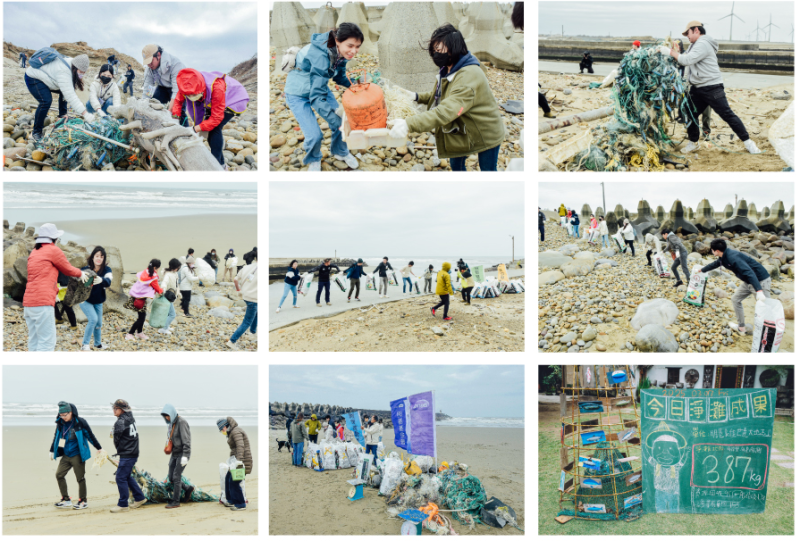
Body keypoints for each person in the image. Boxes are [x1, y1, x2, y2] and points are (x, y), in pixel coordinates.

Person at [389, 24, 504, 172]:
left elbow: (447, 111)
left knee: (488, 170)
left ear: (454, 48)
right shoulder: (449, 67)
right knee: (456, 165)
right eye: (434, 50)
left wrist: (408, 124)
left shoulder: (468, 76)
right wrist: (416, 97)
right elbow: (441, 95)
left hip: (486, 131)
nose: (436, 54)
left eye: (440, 50)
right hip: (462, 129)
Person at [660, 21, 759, 154]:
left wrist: (670, 52)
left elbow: (686, 60)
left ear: (696, 30)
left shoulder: (703, 44)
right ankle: (693, 143)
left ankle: (749, 143)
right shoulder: (694, 45)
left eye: (687, 33)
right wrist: (676, 50)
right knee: (689, 114)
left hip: (712, 88)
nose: (686, 36)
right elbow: (684, 57)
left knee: (727, 114)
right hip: (697, 88)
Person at [284, 23, 363, 172]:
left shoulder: (340, 52)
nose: (354, 51)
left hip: (319, 87)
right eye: (350, 45)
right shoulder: (321, 55)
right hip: (298, 94)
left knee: (342, 124)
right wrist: (335, 120)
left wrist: (354, 86)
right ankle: (314, 158)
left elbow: (339, 77)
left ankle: (340, 152)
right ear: (338, 40)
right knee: (315, 135)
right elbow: (316, 98)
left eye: (357, 46)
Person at [23, 223, 88, 351]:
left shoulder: (35, 252)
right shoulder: (53, 250)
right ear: (54, 238)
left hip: (28, 304)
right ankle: (42, 370)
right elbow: (68, 269)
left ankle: (31, 369)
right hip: (42, 303)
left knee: (34, 340)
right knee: (47, 343)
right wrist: (81, 273)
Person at [170, 68, 249, 167]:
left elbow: (216, 119)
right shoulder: (186, 84)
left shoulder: (216, 86)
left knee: (214, 128)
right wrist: (174, 121)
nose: (191, 97)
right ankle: (221, 164)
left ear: (201, 87)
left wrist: (194, 129)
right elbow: (178, 101)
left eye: (194, 94)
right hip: (214, 98)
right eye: (189, 95)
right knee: (207, 126)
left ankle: (216, 165)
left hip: (235, 98)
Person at [700, 238, 772, 334]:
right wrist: (702, 270)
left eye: (711, 250)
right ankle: (741, 328)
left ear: (716, 251)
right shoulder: (723, 256)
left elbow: (749, 272)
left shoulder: (733, 257)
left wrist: (759, 291)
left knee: (765, 309)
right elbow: (716, 264)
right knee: (735, 299)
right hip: (748, 281)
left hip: (760, 281)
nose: (711, 251)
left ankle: (769, 336)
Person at [25, 52, 95, 143]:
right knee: (46, 101)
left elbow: (69, 90)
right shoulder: (64, 71)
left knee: (64, 91)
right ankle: (36, 132)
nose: (82, 74)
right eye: (81, 72)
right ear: (75, 68)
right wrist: (85, 113)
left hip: (49, 78)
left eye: (84, 72)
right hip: (33, 77)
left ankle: (62, 116)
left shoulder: (72, 64)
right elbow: (70, 96)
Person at [50, 401, 103, 510]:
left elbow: (90, 435)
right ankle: (66, 500)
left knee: (80, 478)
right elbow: (57, 437)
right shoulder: (61, 423)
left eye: (65, 415)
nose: (63, 417)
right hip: (66, 455)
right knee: (59, 475)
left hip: (77, 455)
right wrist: (52, 451)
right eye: (61, 415)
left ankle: (83, 501)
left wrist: (99, 448)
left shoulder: (80, 422)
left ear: (71, 412)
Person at [110, 399, 147, 513]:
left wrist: (120, 450)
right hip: (133, 452)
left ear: (122, 410)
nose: (113, 410)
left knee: (120, 477)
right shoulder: (131, 418)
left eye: (115, 408)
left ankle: (123, 504)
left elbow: (116, 440)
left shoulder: (120, 422)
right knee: (126, 476)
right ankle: (139, 497)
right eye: (113, 408)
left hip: (127, 453)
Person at [141, 44, 187, 125]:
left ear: (158, 55)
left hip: (179, 88)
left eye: (151, 61)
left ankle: (186, 132)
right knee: (154, 104)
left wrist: (169, 111)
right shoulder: (149, 69)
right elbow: (148, 89)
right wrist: (143, 107)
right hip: (163, 87)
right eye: (147, 63)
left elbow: (176, 91)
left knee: (178, 112)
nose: (149, 65)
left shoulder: (175, 65)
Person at [78, 246, 112, 350]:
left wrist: (101, 280)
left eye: (101, 257)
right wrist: (80, 275)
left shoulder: (107, 269)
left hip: (98, 300)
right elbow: (75, 278)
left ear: (104, 258)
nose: (99, 258)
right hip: (85, 300)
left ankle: (98, 344)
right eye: (97, 256)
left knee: (98, 323)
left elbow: (108, 281)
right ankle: (85, 345)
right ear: (92, 257)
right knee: (93, 319)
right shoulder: (85, 269)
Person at [160, 404, 192, 509]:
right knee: (171, 477)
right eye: (165, 416)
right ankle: (187, 488)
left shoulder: (182, 422)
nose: (166, 418)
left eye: (168, 415)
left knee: (176, 476)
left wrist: (185, 456)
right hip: (175, 453)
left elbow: (187, 441)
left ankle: (176, 501)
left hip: (182, 453)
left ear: (172, 413)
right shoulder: (171, 424)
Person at [216, 417, 252, 511]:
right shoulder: (231, 432)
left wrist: (239, 461)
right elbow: (234, 449)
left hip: (242, 461)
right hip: (235, 461)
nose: (221, 432)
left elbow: (240, 446)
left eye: (221, 429)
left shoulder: (236, 431)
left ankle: (240, 504)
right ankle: (231, 500)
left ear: (225, 426)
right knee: (228, 478)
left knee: (234, 482)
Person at [125, 259, 163, 341]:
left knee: (142, 316)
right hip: (141, 299)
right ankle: (130, 334)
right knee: (141, 318)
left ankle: (139, 332)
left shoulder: (145, 271)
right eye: (158, 268)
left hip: (136, 296)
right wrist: (162, 291)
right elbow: (157, 288)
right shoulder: (152, 277)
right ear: (156, 267)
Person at [227, 252, 258, 349]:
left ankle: (253, 332)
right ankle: (232, 341)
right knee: (247, 322)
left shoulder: (246, 267)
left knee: (256, 311)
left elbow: (235, 279)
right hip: (254, 298)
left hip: (246, 296)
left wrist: (238, 290)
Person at [158, 258, 181, 335]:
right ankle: (164, 328)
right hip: (167, 296)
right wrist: (163, 290)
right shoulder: (168, 274)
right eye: (178, 267)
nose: (178, 268)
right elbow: (164, 283)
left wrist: (179, 293)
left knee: (168, 313)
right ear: (174, 267)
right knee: (172, 314)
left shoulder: (175, 273)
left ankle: (166, 327)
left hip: (172, 295)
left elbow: (176, 285)